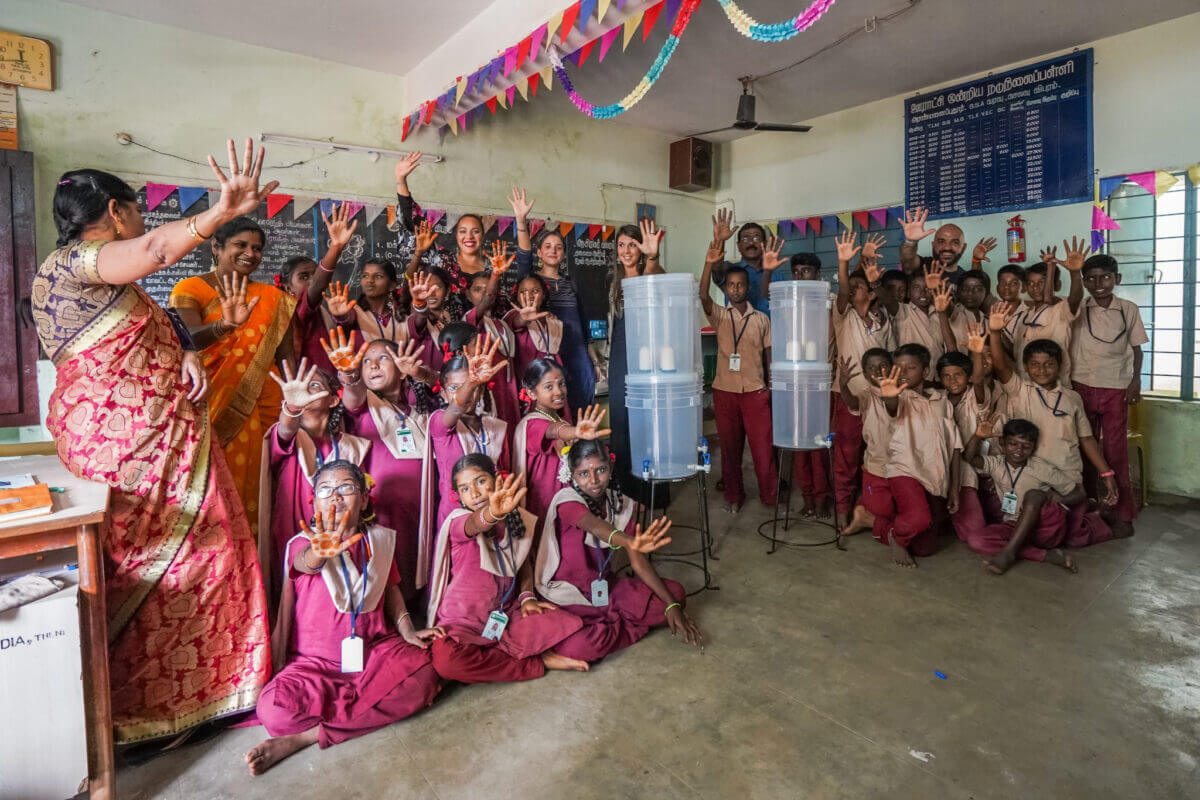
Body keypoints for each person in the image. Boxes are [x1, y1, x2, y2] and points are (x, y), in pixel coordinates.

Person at [31, 140, 273, 743]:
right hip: (133, 450)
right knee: (159, 567)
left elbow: (158, 337)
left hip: (166, 439)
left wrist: (210, 337)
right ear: (116, 213)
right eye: (137, 213)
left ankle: (195, 700)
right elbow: (157, 248)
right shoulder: (72, 264)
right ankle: (138, 713)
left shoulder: (110, 285)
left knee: (203, 558)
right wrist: (219, 213)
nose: (142, 226)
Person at [247, 461, 442, 775]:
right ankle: (360, 711)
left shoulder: (378, 541)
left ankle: (308, 736)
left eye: (346, 488)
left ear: (364, 499)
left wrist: (407, 630)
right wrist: (318, 554)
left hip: (375, 652)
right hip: (315, 665)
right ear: (314, 500)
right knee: (272, 709)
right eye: (325, 490)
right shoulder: (303, 544)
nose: (335, 497)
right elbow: (304, 562)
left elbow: (391, 588)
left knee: (426, 674)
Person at [171, 212, 298, 534]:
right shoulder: (191, 287)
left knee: (264, 484)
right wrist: (225, 325)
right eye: (240, 245)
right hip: (212, 397)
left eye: (257, 248)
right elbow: (187, 338)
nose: (250, 254)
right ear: (216, 246)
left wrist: (297, 395)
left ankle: (259, 561)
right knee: (212, 487)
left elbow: (286, 355)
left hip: (267, 401)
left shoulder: (274, 299)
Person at [536, 439, 701, 662]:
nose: (593, 480)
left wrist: (671, 604)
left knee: (676, 595)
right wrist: (628, 541)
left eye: (600, 470)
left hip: (608, 589)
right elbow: (594, 525)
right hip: (566, 595)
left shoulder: (620, 503)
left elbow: (639, 563)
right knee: (579, 647)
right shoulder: (566, 501)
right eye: (584, 473)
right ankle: (616, 624)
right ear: (572, 475)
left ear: (611, 468)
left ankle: (608, 627)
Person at [428, 457, 589, 682]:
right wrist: (493, 514)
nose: (474, 493)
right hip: (463, 622)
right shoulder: (458, 522)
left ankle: (497, 655)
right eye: (465, 488)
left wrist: (526, 598)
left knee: (577, 638)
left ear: (496, 479)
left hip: (507, 615)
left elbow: (523, 563)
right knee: (447, 661)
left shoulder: (516, 519)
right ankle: (537, 661)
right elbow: (475, 524)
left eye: (480, 481)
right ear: (459, 496)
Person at [985, 303, 1124, 548]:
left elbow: (1087, 439)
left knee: (1066, 537)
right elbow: (1000, 365)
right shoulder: (1020, 390)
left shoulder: (1072, 398)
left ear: (1059, 366)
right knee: (1041, 533)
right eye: (1035, 365)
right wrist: (995, 332)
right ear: (1026, 368)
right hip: (1032, 477)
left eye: (1049, 364)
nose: (1042, 370)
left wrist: (1106, 472)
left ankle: (1094, 519)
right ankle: (1088, 515)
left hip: (1065, 478)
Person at [331, 333, 438, 603]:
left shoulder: (419, 409)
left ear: (402, 370)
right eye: (366, 361)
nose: (373, 365)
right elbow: (352, 396)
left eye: (383, 359)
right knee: (390, 568)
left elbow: (443, 386)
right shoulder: (363, 407)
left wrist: (420, 373)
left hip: (424, 508)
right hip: (384, 509)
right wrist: (350, 376)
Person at [260, 358, 370, 607]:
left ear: (333, 400)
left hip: (340, 533)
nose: (305, 393)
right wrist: (292, 409)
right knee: (295, 597)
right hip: (292, 527)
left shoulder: (353, 446)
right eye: (302, 387)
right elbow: (286, 429)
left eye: (314, 386)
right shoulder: (290, 438)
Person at [840, 345, 961, 567]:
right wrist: (848, 387)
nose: (903, 373)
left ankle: (874, 523)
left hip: (934, 478)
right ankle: (894, 534)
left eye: (910, 368)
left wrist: (953, 488)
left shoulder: (941, 400)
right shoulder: (895, 396)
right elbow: (892, 407)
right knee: (915, 518)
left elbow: (954, 445)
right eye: (899, 368)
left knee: (925, 547)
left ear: (925, 372)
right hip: (903, 472)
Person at [1070, 254, 1147, 535]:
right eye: (1090, 278)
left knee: (1116, 454)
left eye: (1104, 277)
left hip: (1115, 387)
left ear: (1117, 279)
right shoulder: (1078, 308)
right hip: (1081, 386)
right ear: (1083, 281)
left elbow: (1138, 349)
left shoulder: (1128, 309)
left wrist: (1135, 380)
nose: (1098, 284)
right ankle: (1088, 507)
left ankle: (1123, 515)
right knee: (1083, 452)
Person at [700, 237, 776, 513]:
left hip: (756, 392)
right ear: (727, 289)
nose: (735, 289)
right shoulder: (720, 316)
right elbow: (703, 297)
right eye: (730, 285)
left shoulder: (761, 320)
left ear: (747, 287)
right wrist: (709, 265)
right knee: (730, 450)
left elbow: (769, 355)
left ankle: (770, 496)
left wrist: (770, 387)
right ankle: (734, 496)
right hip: (725, 392)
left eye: (740, 284)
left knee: (763, 450)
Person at [509, 187, 601, 410]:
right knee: (557, 413)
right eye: (547, 247)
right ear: (539, 252)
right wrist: (521, 220)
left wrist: (594, 361)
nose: (553, 251)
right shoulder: (532, 283)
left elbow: (584, 325)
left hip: (578, 356)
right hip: (551, 356)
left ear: (563, 254)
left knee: (583, 410)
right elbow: (523, 256)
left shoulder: (571, 283)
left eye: (558, 247)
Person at [829, 231, 895, 528]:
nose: (852, 290)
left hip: (879, 399)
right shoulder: (844, 315)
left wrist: (865, 266)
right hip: (849, 396)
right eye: (850, 286)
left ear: (870, 293)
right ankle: (842, 507)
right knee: (846, 454)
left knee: (874, 455)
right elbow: (844, 289)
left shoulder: (882, 320)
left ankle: (864, 506)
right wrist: (846, 262)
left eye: (860, 287)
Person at [962, 418, 1083, 574]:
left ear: (1033, 448)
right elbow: (969, 457)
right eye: (1013, 444)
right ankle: (1045, 555)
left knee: (1033, 495)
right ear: (1002, 443)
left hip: (1045, 527)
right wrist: (978, 436)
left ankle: (1007, 554)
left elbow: (1080, 493)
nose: (1019, 450)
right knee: (976, 540)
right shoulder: (996, 464)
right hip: (1015, 525)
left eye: (1026, 447)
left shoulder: (1041, 468)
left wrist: (1059, 499)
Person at [605, 219, 666, 505]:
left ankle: (650, 492)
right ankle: (625, 489)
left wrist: (652, 255)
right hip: (620, 358)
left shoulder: (650, 274)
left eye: (632, 244)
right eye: (621, 245)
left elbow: (655, 272)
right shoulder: (615, 280)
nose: (626, 250)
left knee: (647, 421)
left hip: (646, 357)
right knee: (621, 421)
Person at [513, 359, 611, 523]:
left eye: (562, 384)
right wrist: (575, 432)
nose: (558, 391)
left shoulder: (558, 418)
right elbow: (553, 431)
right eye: (549, 387)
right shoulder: (531, 423)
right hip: (546, 502)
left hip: (566, 500)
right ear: (531, 393)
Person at [429, 343, 511, 524]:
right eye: (454, 388)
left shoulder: (495, 427)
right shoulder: (439, 422)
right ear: (442, 394)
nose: (464, 394)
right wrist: (471, 382)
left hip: (493, 509)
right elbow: (456, 409)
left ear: (481, 390)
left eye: (472, 388)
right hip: (458, 517)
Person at [280, 202, 360, 376]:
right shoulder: (294, 312)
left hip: (331, 385)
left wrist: (342, 318)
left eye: (314, 274)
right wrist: (336, 247)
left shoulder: (321, 311)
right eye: (303, 277)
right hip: (310, 389)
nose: (311, 280)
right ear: (288, 288)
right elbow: (317, 286)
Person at [1010, 239, 1088, 387]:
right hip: (1025, 388)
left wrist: (1075, 272)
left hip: (1054, 389)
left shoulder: (1061, 308)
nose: (1036, 288)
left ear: (1056, 284)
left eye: (1042, 282)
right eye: (1031, 283)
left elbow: (1076, 298)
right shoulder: (1026, 314)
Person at [463, 245, 520, 433]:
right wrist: (495, 275)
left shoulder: (501, 323)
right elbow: (485, 302)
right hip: (490, 387)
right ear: (468, 295)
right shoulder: (471, 320)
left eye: (489, 288)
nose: (486, 292)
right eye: (478, 289)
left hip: (509, 388)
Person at [898, 206, 995, 287]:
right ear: (933, 245)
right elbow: (907, 259)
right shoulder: (922, 265)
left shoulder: (963, 277)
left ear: (964, 247)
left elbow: (977, 287)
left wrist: (976, 261)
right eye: (941, 241)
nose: (947, 247)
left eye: (955, 242)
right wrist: (911, 241)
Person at [709, 209, 779, 314]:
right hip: (737, 330)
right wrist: (720, 240)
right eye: (745, 239)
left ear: (764, 243)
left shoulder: (778, 276)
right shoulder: (730, 271)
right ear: (739, 246)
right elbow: (716, 266)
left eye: (756, 238)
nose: (751, 242)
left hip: (771, 330)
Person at [505, 274, 566, 388]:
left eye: (535, 290)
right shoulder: (513, 316)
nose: (529, 296)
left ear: (543, 294)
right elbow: (517, 323)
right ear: (516, 296)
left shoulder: (551, 319)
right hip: (530, 386)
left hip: (554, 384)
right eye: (523, 291)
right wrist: (523, 318)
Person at [406, 267, 460, 376]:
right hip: (426, 387)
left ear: (447, 290)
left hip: (455, 383)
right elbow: (421, 315)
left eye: (437, 287)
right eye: (426, 289)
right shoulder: (416, 320)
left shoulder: (456, 317)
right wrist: (420, 304)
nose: (431, 293)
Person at [353, 258, 408, 343]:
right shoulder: (354, 313)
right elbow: (343, 318)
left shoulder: (399, 317)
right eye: (365, 276)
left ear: (392, 285)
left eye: (378, 276)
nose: (370, 280)